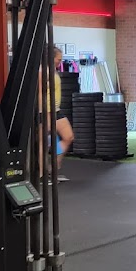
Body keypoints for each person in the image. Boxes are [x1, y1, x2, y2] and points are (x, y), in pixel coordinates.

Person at [53, 47, 74, 180]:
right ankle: (47, 172)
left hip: (55, 110)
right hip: (48, 112)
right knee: (67, 137)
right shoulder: (44, 73)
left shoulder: (53, 71)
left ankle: (52, 169)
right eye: (58, 59)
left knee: (55, 140)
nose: (60, 62)